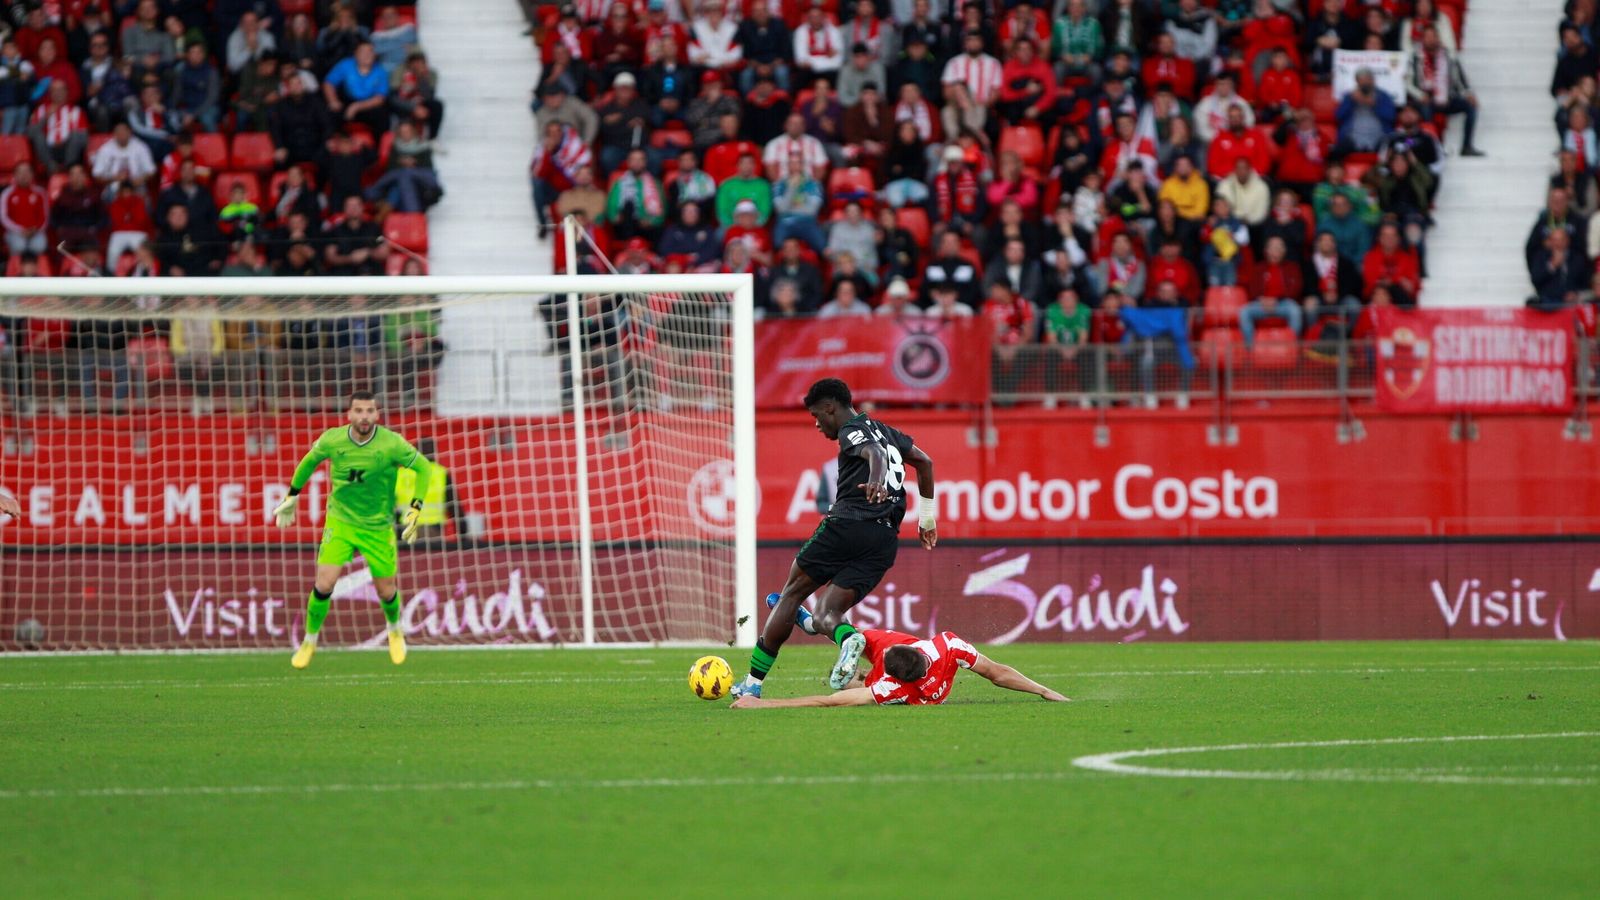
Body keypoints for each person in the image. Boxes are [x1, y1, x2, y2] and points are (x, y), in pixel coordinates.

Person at [732, 378, 937, 699]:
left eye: (816, 415)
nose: (816, 424)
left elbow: (872, 454)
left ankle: (752, 685)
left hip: (847, 524)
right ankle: (846, 637)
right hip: (884, 539)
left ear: (830, 407)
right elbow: (925, 462)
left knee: (790, 594)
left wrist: (875, 479)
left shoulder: (850, 430)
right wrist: (927, 519)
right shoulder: (886, 430)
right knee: (826, 615)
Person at [272, 390, 435, 669]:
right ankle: (309, 641)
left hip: (377, 526)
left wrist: (416, 507)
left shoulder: (391, 443)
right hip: (341, 521)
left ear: (377, 414)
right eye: (358, 411)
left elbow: (423, 468)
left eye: (369, 411)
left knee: (386, 591)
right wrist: (292, 495)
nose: (364, 416)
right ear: (349, 414)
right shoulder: (333, 440)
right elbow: (309, 461)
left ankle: (395, 629)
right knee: (324, 583)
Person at [730, 626, 1067, 708]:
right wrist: (1043, 690)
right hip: (902, 645)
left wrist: (763, 704)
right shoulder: (947, 646)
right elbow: (997, 672)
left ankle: (829, 636)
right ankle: (815, 623)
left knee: (844, 684)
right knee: (856, 639)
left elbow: (827, 701)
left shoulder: (891, 686)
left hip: (891, 651)